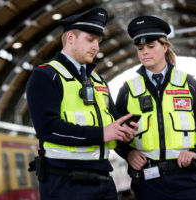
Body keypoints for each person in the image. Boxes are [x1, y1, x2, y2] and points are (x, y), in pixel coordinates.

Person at [26, 8, 138, 200]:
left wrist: (124, 130)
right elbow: (48, 129)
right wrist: (102, 133)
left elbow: (111, 118)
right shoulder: (45, 76)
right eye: (90, 39)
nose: (96, 46)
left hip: (103, 180)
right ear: (70, 37)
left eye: (98, 41)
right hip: (66, 184)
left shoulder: (98, 80)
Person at [114, 15, 196, 200]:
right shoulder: (128, 90)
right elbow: (114, 132)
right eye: (140, 48)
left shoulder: (188, 84)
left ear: (164, 46)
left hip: (189, 178)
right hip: (148, 182)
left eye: (150, 46)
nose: (144, 52)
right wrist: (128, 152)